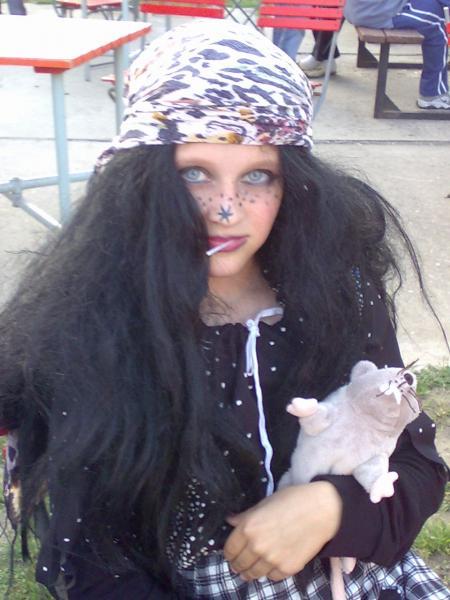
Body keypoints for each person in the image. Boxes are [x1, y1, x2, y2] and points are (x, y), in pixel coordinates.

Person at [0, 19, 449, 600]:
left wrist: (332, 508)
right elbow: (92, 560)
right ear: (145, 181)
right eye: (194, 174)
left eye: (258, 175)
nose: (226, 209)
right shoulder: (96, 327)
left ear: (293, 183)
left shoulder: (339, 295)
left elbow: (416, 467)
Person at [344, 0, 450, 110]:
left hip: (368, 8)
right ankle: (432, 94)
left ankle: (435, 90)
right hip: (373, 12)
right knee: (436, 23)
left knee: (437, 8)